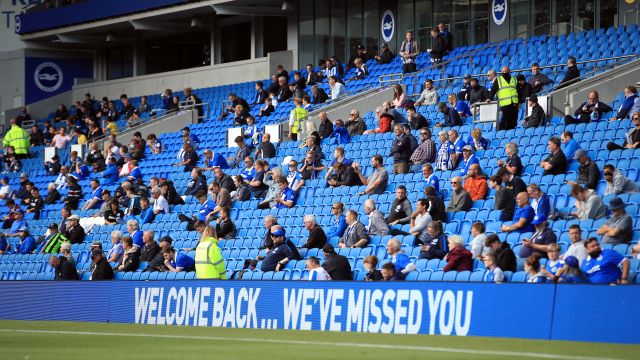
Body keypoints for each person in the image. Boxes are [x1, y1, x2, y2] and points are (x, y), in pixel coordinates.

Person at [487, 66, 519, 130]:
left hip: (514, 102)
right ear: (501, 72)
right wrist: (489, 98)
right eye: (503, 72)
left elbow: (518, 91)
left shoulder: (514, 79)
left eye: (506, 71)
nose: (505, 73)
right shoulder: (498, 79)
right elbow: (493, 90)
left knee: (514, 120)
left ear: (509, 71)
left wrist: (520, 101)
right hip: (505, 103)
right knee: (507, 121)